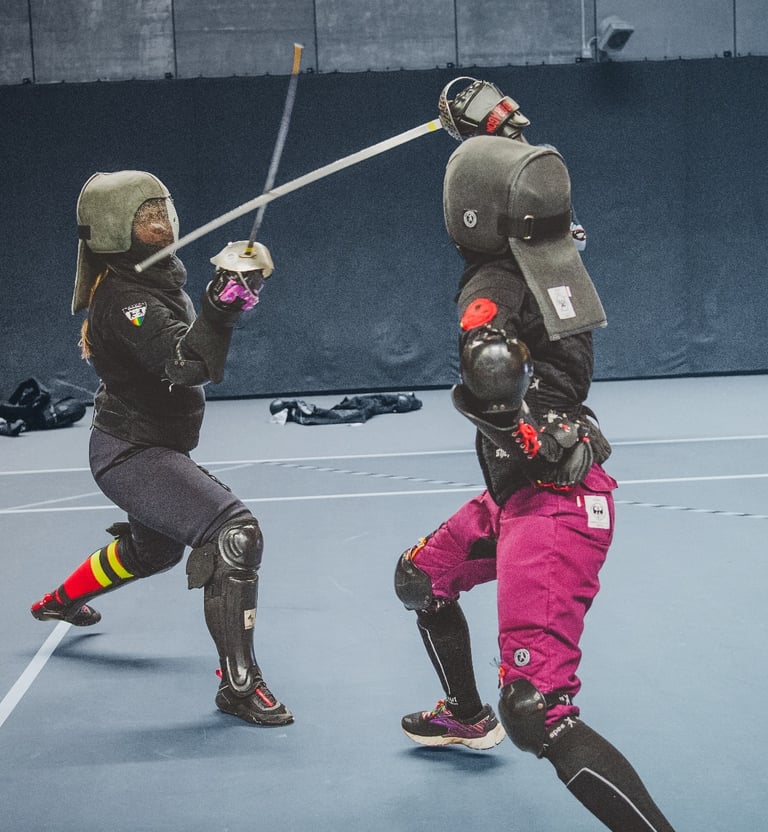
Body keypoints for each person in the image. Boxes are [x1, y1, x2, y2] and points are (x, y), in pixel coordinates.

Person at [394, 137, 677, 830]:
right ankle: (464, 716)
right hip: (520, 496)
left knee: (537, 711)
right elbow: (534, 194)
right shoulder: (555, 251)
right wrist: (506, 124)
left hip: (556, 510)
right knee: (422, 578)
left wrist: (515, 416)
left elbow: (491, 365)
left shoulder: (494, 279)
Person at [30, 170, 292, 727]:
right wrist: (220, 304)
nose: (159, 222)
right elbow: (184, 363)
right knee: (235, 534)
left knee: (154, 553)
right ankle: (239, 686)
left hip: (149, 445)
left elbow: (193, 344)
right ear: (112, 230)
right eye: (144, 216)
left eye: (160, 210)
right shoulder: (124, 297)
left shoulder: (154, 277)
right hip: (131, 454)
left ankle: (59, 601)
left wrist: (228, 300)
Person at [438, 75, 587, 250]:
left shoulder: (544, 163)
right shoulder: (482, 171)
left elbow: (578, 241)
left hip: (534, 261)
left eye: (470, 134)